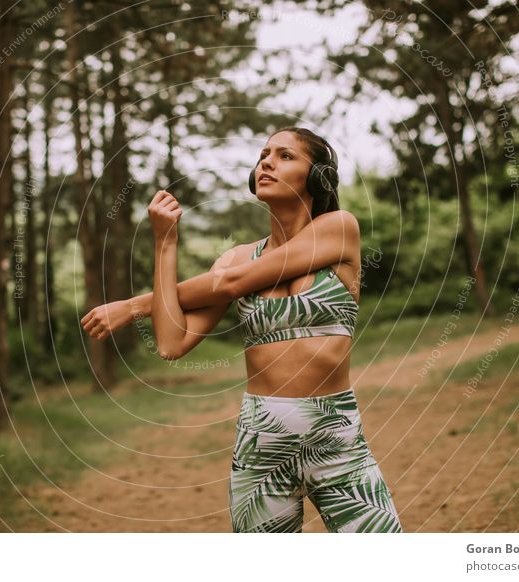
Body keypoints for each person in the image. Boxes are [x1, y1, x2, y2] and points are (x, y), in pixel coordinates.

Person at [81, 127, 402, 533]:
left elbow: (232, 285)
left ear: (318, 177)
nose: (267, 161)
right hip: (259, 445)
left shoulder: (339, 228)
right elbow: (171, 341)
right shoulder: (235, 257)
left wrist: (131, 306)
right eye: (263, 154)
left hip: (336, 441)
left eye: (285, 156)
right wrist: (166, 241)